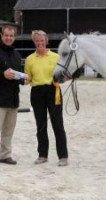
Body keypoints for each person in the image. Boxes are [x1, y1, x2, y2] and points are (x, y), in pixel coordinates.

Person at [24, 30, 68, 166]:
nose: (40, 43)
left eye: (42, 40)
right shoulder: (29, 59)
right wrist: (24, 79)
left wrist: (61, 80)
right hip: (37, 92)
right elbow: (28, 78)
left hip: (53, 91)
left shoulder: (55, 57)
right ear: (34, 42)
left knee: (58, 124)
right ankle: (43, 155)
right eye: (37, 40)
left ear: (46, 41)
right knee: (41, 125)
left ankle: (63, 156)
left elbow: (63, 76)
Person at [0, 24, 29, 165]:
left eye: (11, 36)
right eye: (6, 35)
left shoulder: (17, 55)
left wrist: (25, 80)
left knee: (8, 131)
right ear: (2, 35)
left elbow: (19, 77)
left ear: (14, 37)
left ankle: (5, 155)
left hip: (13, 99)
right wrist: (2, 74)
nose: (8, 38)